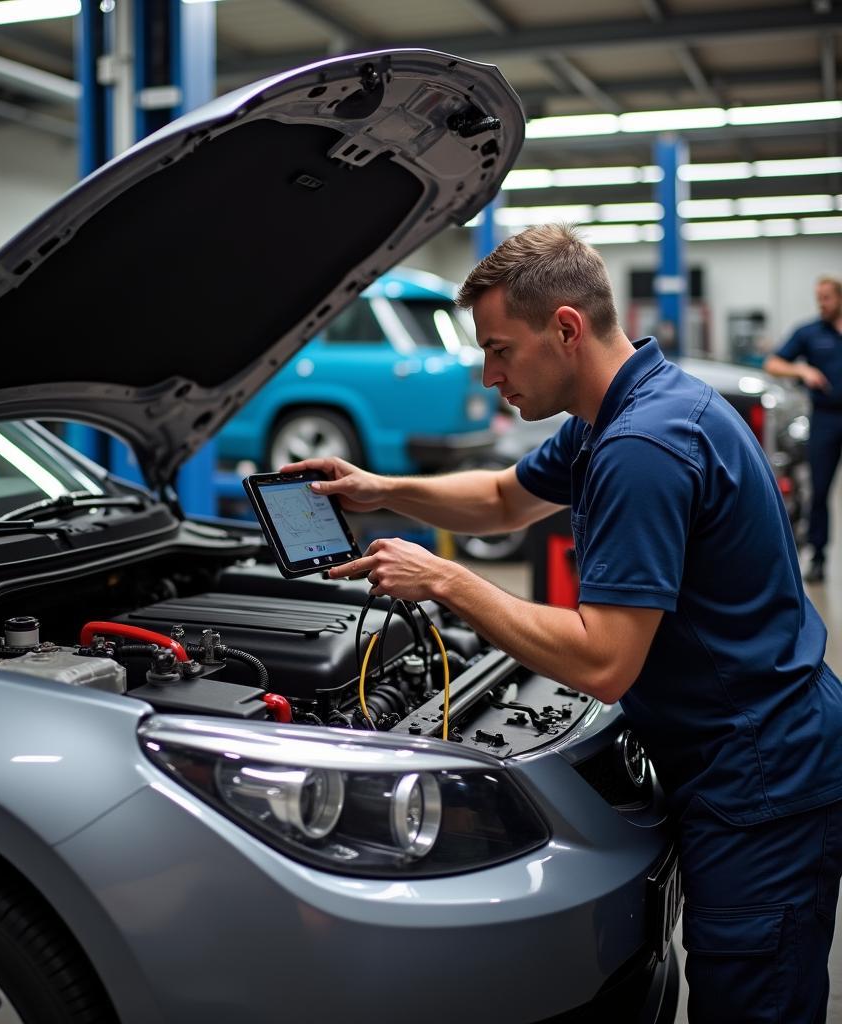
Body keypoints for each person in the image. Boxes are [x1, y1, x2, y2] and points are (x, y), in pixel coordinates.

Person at [282, 224, 842, 1024]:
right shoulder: (620, 411)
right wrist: (379, 488)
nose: (490, 374)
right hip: (740, 754)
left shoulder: (642, 447)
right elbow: (508, 496)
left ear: (567, 329)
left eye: (501, 349)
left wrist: (444, 579)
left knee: (752, 1000)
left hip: (762, 779)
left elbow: (605, 662)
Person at [764, 276, 842, 583]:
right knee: (819, 490)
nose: (821, 303)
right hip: (824, 419)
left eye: (826, 298)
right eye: (818, 298)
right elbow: (773, 363)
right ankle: (818, 558)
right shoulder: (809, 333)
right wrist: (802, 369)